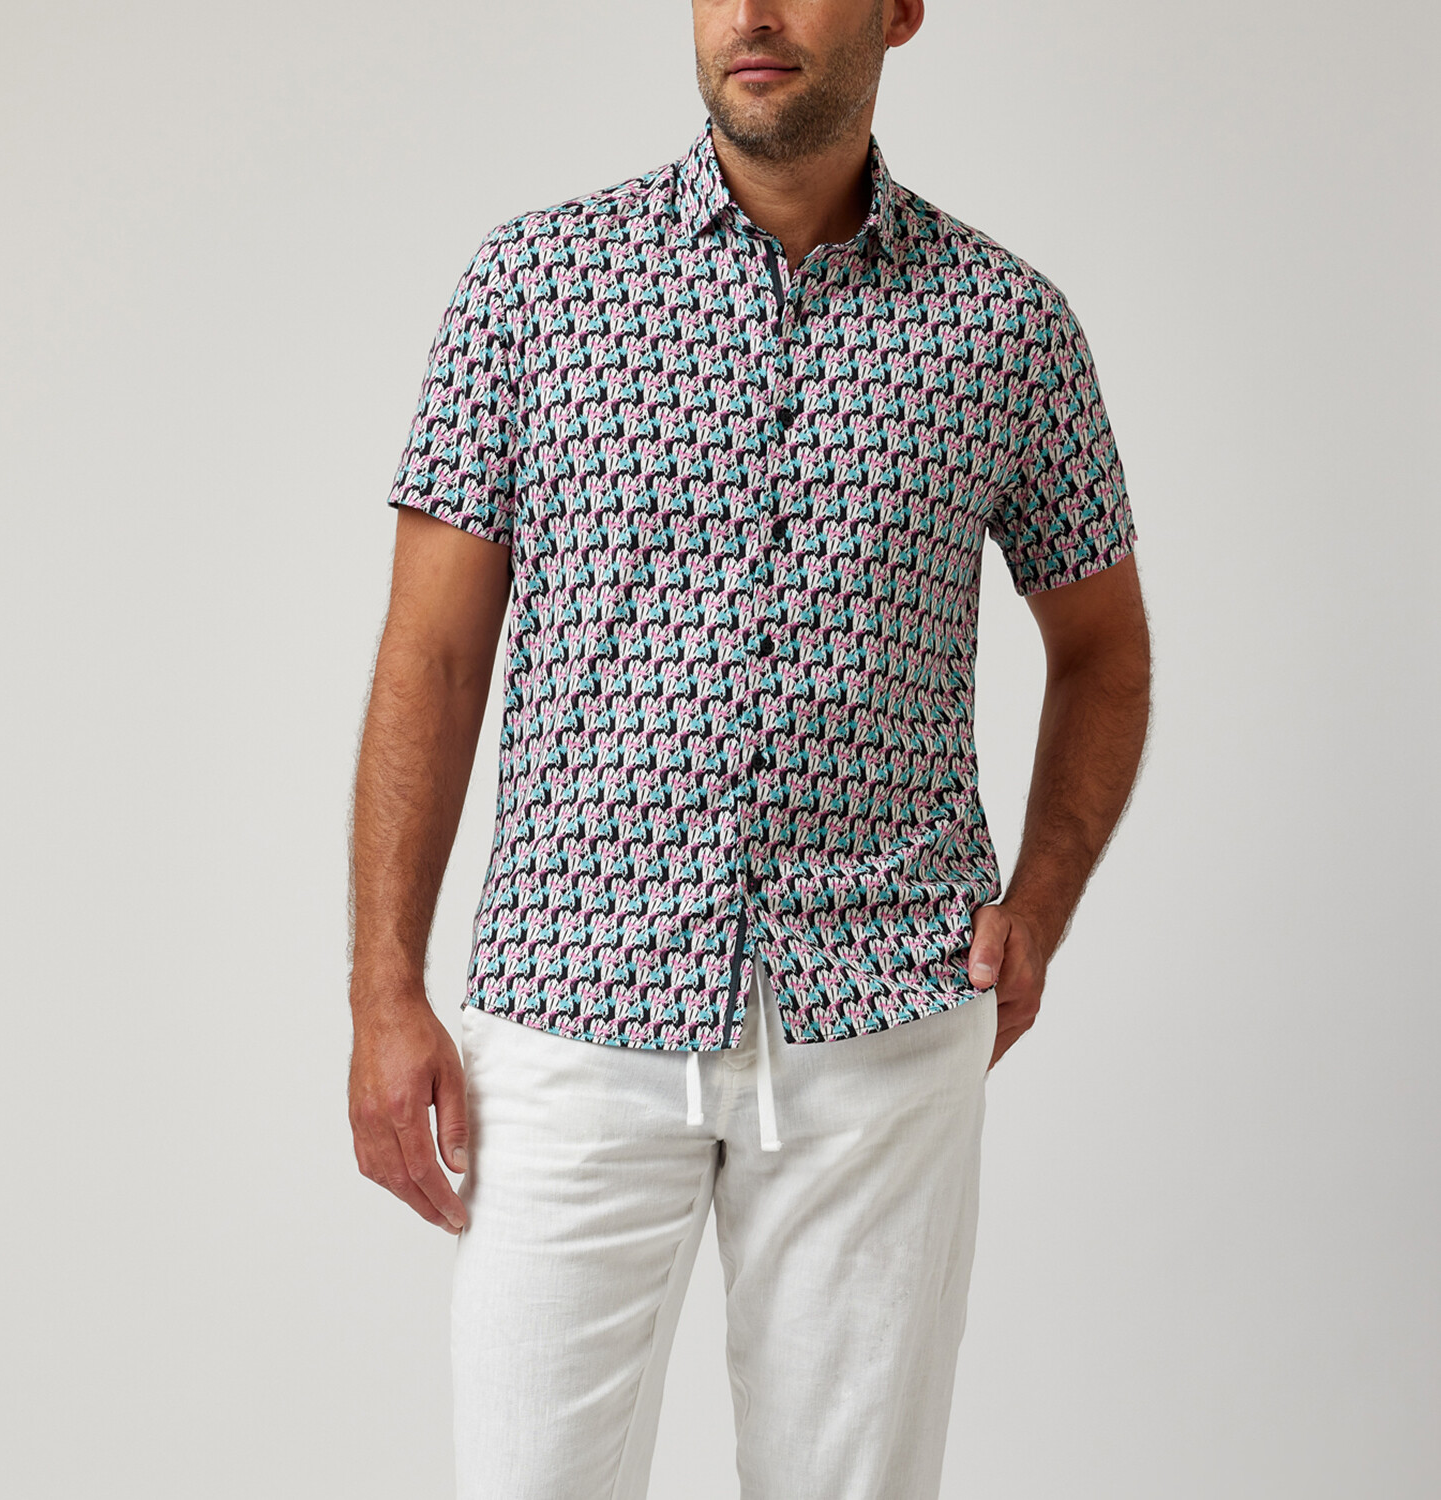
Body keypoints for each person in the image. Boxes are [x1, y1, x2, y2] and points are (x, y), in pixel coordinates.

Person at [346, 1, 1152, 1494]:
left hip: (882, 1016)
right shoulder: (534, 287)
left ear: (900, 10)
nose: (753, 13)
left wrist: (1039, 902)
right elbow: (431, 658)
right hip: (573, 999)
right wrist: (384, 986)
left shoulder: (1008, 326)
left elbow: (1103, 647)